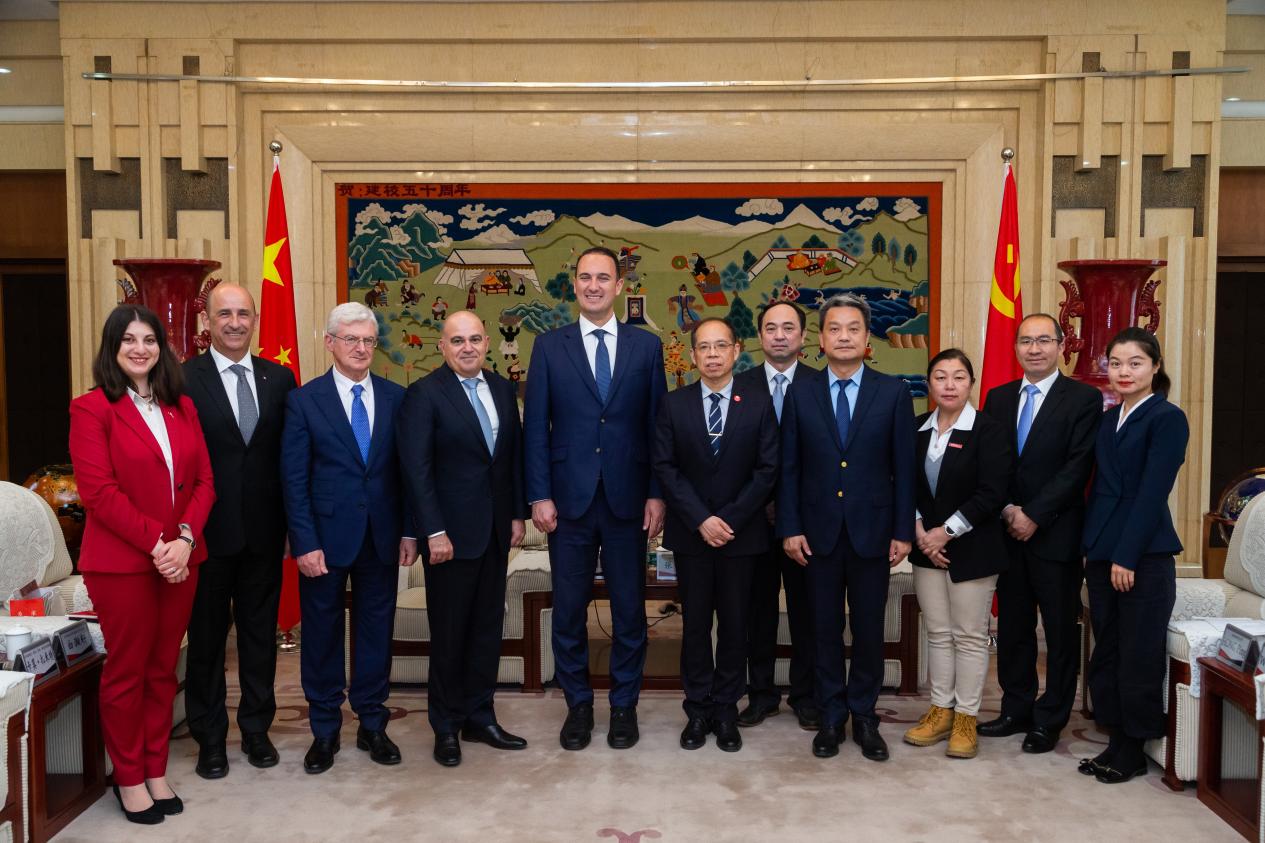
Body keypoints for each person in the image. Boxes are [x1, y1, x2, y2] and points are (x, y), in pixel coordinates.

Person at [69, 305, 215, 824]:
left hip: (182, 559)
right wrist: (160, 544)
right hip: (122, 564)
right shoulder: (92, 409)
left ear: (162, 348)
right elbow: (99, 493)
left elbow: (205, 483)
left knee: (162, 670)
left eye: (149, 339)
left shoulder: (182, 406)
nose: (139, 348)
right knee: (128, 672)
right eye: (128, 339)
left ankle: (156, 769)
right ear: (112, 348)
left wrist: (184, 539)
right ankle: (128, 777)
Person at [524, 245, 667, 751]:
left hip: (629, 500)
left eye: (603, 277)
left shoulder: (646, 347)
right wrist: (539, 494)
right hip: (567, 503)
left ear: (619, 286)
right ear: (574, 285)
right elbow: (535, 428)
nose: (593, 285)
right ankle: (579, 705)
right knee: (568, 611)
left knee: (630, 611)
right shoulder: (549, 346)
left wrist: (657, 494)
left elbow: (657, 427)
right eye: (585, 277)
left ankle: (624, 706)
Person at [778, 293, 915, 762]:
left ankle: (866, 717)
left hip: (872, 532)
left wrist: (903, 531)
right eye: (834, 329)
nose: (843, 337)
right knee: (823, 629)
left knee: (869, 629)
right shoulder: (801, 393)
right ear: (820, 338)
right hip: (815, 534)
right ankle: (832, 716)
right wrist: (790, 526)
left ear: (867, 337)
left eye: (853, 329)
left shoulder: (892, 392)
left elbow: (903, 470)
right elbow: (789, 468)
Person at [281, 302, 417, 774]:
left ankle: (372, 723)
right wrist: (304, 541)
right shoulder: (304, 401)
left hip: (382, 537)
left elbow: (406, 474)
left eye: (368, 340)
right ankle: (324, 730)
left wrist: (409, 530)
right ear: (330, 343)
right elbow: (294, 479)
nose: (360, 348)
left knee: (376, 632)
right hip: (324, 540)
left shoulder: (397, 398)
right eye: (351, 339)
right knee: (321, 635)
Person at [397, 311, 529, 768]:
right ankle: (446, 725)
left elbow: (510, 459)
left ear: (487, 342)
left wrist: (516, 515)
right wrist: (433, 531)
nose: (467, 347)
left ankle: (480, 716)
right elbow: (416, 469)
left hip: (494, 532)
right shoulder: (424, 394)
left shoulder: (502, 389)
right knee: (450, 634)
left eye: (474, 339)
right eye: (457, 340)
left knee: (487, 630)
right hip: (448, 538)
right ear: (442, 346)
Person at [182, 283, 297, 779]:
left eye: (243, 314)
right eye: (224, 314)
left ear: (255, 320)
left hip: (265, 534)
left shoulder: (280, 378)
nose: (234, 322)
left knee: (258, 639)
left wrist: (293, 527)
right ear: (207, 322)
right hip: (205, 534)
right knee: (207, 642)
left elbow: (289, 458)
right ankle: (210, 738)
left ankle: (255, 729)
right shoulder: (184, 379)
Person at [652, 318, 779, 752]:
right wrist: (701, 519)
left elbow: (767, 469)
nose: (712, 354)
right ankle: (697, 710)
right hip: (692, 536)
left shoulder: (759, 403)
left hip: (742, 536)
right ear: (692, 356)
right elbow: (665, 467)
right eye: (704, 347)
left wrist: (730, 519)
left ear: (736, 351)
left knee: (735, 626)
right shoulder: (674, 404)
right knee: (694, 627)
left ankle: (726, 710)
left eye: (720, 346)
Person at [978, 313, 1102, 754]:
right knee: (1013, 628)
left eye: (1044, 340)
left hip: (1056, 534)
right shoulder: (997, 398)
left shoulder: (1084, 399)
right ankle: (1016, 708)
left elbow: (1078, 467)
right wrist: (1009, 509)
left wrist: (1034, 514)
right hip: (1007, 532)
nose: (1035, 349)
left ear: (1061, 345)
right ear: (1015, 348)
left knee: (1060, 632)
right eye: (1026, 341)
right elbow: (991, 463)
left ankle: (1050, 719)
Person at [1080, 327, 1187, 784]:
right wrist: (1092, 549)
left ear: (1155, 367)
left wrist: (1126, 555)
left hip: (1143, 556)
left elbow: (1151, 494)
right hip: (1104, 552)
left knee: (1139, 654)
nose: (1124, 372)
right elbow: (1101, 491)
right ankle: (1115, 739)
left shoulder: (1168, 418)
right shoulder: (1109, 420)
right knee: (1108, 650)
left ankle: (1134, 748)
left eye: (1135, 363)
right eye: (1117, 363)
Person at [903, 349, 1012, 759]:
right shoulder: (915, 429)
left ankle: (966, 716)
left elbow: (992, 492)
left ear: (971, 383)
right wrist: (920, 531)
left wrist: (944, 533)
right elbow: (904, 485)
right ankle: (940, 710)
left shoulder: (989, 430)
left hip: (973, 549)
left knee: (969, 636)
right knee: (938, 633)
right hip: (925, 549)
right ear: (929, 383)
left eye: (959, 377)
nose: (949, 385)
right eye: (940, 377)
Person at [737, 300, 819, 731]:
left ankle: (805, 695)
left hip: (807, 522)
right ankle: (761, 694)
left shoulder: (821, 384)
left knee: (808, 611)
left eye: (789, 328)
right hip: (751, 520)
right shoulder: (739, 385)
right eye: (771, 328)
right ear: (760, 336)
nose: (780, 335)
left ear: (803, 336)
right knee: (757, 611)